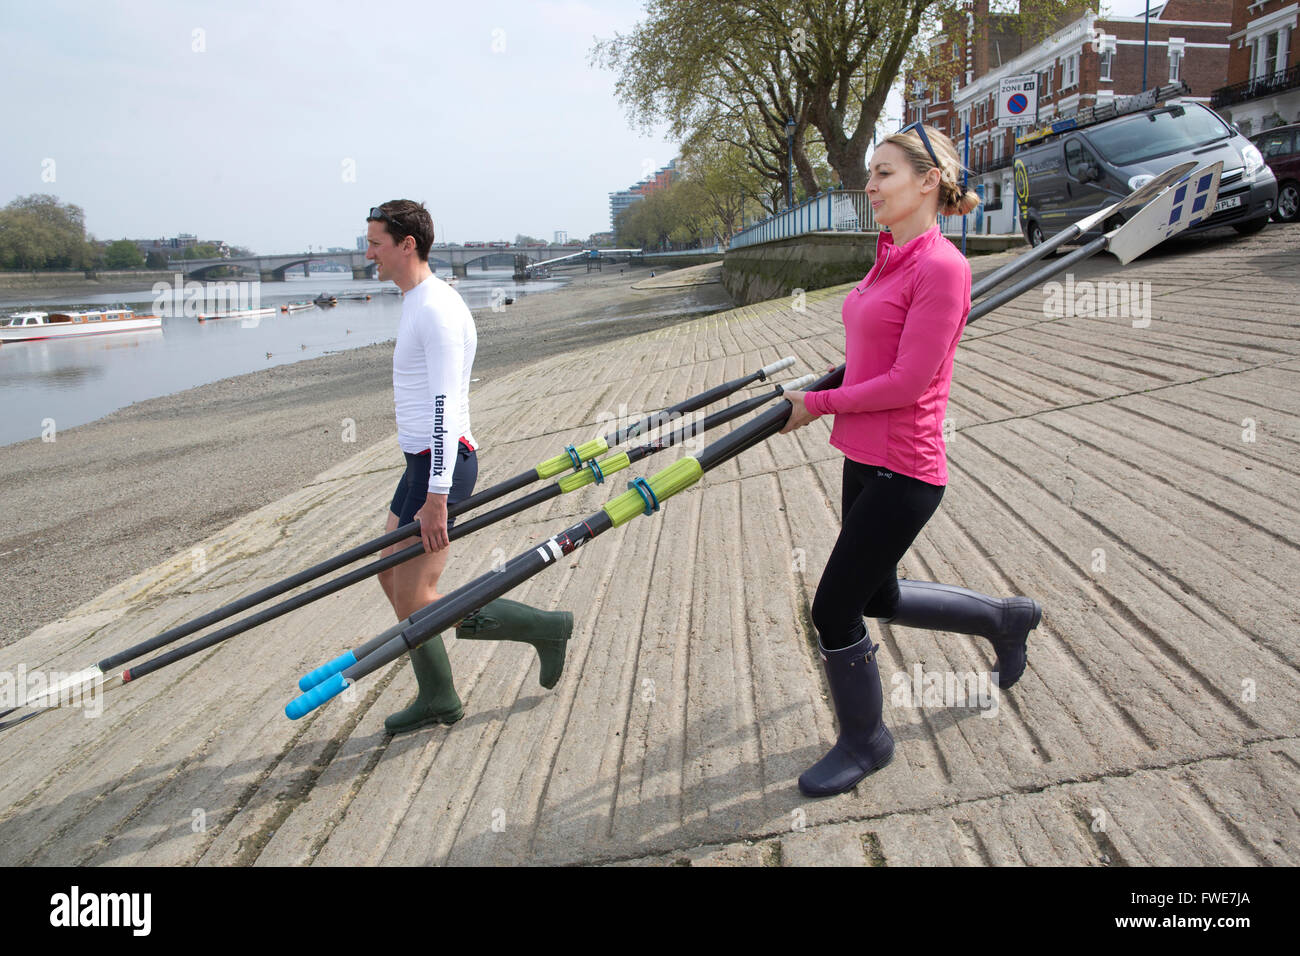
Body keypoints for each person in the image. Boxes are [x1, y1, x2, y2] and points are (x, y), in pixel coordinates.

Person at [779, 126, 1043, 797]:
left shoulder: (943, 268)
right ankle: (1004, 620)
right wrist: (819, 390)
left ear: (928, 180)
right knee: (880, 596)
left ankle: (866, 742)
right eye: (870, 174)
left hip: (905, 470)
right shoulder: (888, 255)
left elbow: (908, 382)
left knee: (834, 610)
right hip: (863, 456)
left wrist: (819, 403)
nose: (870, 186)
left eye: (885, 173)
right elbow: (874, 355)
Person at [365, 200, 572, 735]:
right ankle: (438, 693)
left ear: (407, 244)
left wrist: (436, 497)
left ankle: (541, 630)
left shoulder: (435, 307)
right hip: (420, 464)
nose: (370, 255)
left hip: (443, 465)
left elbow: (444, 406)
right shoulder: (417, 300)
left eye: (377, 244)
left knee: (418, 595)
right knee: (391, 577)